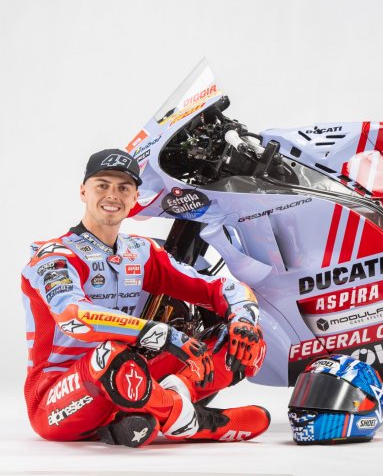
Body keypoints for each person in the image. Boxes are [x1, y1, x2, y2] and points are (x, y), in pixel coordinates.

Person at [20, 149, 270, 447]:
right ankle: (198, 423)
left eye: (123, 188)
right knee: (109, 354)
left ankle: (152, 413)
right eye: (102, 185)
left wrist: (244, 318)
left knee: (244, 340)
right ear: (83, 191)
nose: (112, 195)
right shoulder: (54, 257)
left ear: (135, 197)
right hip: (56, 400)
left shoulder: (141, 251)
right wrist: (162, 334)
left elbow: (221, 288)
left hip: (134, 382)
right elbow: (74, 317)